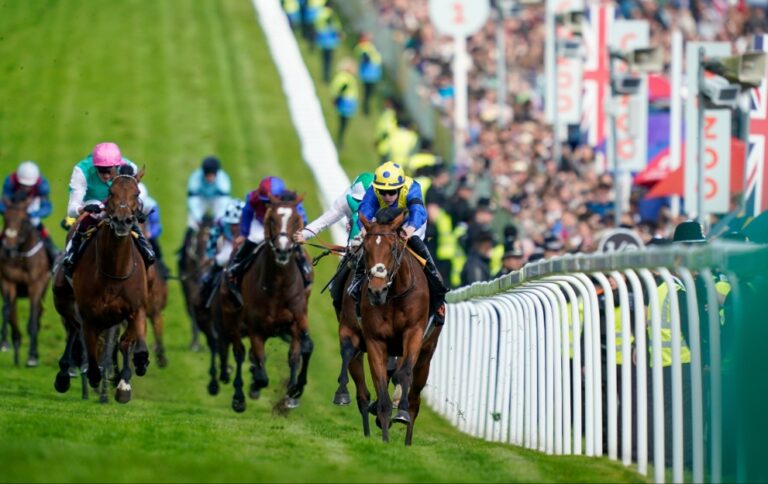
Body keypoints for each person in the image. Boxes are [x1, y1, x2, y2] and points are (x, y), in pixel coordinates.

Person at [347, 161, 449, 325]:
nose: (387, 196)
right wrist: (363, 229)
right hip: (384, 223)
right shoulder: (374, 189)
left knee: (416, 244)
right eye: (383, 192)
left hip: (411, 223)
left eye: (391, 192)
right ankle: (357, 282)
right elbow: (364, 211)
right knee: (371, 245)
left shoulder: (412, 187)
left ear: (400, 188)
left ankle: (437, 294)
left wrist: (410, 229)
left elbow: (419, 212)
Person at [61, 142, 155, 280]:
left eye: (109, 170)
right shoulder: (81, 171)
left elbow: (133, 196)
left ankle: (144, 244)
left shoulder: (130, 168)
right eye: (101, 170)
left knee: (125, 214)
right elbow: (71, 210)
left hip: (117, 205)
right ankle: (72, 252)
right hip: (93, 205)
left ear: (117, 166)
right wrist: (83, 208)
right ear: (94, 166)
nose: (105, 175)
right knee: (95, 208)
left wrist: (136, 209)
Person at [293, 172, 374, 312]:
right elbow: (325, 220)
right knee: (336, 289)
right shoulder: (346, 199)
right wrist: (304, 234)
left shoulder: (383, 200)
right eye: (357, 201)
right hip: (355, 248)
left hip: (378, 247)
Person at [226, 176, 310, 306]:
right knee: (254, 238)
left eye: (269, 201)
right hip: (261, 223)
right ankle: (237, 264)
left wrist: (299, 231)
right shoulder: (253, 197)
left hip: (283, 225)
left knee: (291, 243)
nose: (267, 204)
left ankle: (303, 265)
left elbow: (302, 217)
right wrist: (243, 233)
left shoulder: (290, 199)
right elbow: (247, 212)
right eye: (264, 201)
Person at [0, 160, 58, 267]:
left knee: (35, 223)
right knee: (9, 227)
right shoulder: (10, 181)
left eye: (29, 185)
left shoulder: (42, 185)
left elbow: (47, 207)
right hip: (13, 206)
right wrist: (11, 214)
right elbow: (2, 202)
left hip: (32, 205)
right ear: (18, 180)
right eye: (23, 185)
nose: (26, 188)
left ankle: (52, 252)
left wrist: (32, 215)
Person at [199, 198, 245, 308]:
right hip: (230, 244)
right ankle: (209, 278)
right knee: (221, 260)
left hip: (246, 242)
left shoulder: (249, 221)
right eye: (231, 224)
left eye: (236, 224)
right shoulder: (220, 222)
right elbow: (213, 237)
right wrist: (210, 255)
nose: (233, 227)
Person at [183, 155, 231, 251]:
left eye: (212, 175)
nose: (210, 178)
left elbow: (224, 202)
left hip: (216, 198)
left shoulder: (223, 179)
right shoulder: (195, 178)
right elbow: (193, 201)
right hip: (201, 198)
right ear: (203, 173)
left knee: (224, 222)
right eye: (207, 175)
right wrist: (198, 218)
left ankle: (228, 246)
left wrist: (218, 219)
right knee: (191, 224)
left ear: (217, 174)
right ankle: (183, 251)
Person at [138, 182, 169, 280]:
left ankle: (161, 268)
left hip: (146, 233)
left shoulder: (151, 205)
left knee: (156, 248)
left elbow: (156, 225)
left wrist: (150, 233)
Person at [330, 59, 359, 150]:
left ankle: (340, 140)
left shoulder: (342, 76)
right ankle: (340, 141)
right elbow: (342, 87)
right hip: (346, 102)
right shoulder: (346, 77)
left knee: (343, 124)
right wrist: (338, 98)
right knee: (343, 124)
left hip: (345, 102)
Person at [353, 32, 382, 116]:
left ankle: (366, 107)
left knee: (370, 93)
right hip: (367, 73)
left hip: (373, 73)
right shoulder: (361, 47)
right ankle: (365, 108)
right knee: (367, 92)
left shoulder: (369, 46)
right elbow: (363, 57)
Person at [314, 2, 342, 83]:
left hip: (322, 40)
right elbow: (335, 27)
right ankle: (327, 77)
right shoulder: (331, 15)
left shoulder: (320, 13)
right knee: (328, 61)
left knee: (324, 60)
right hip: (330, 41)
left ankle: (324, 75)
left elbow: (317, 25)